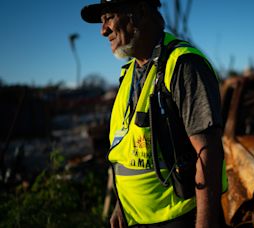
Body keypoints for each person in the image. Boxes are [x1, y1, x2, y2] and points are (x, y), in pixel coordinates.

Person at [81, 0, 227, 227]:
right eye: (101, 22)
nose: (103, 30)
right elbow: (126, 150)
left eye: (109, 17)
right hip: (136, 218)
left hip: (180, 218)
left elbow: (209, 154)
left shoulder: (184, 64)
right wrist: (122, 205)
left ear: (139, 11)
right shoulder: (129, 73)